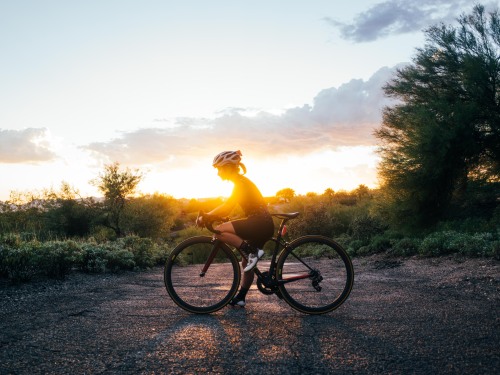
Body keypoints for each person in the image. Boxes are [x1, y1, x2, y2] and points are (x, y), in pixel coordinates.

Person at [197, 150, 274, 307]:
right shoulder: (240, 182)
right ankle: (241, 298)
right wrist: (211, 215)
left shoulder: (240, 183)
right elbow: (230, 206)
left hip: (259, 222)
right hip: (262, 223)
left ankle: (251, 251)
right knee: (246, 265)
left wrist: (207, 216)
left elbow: (227, 207)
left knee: (219, 231)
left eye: (219, 169)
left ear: (228, 167)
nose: (218, 173)